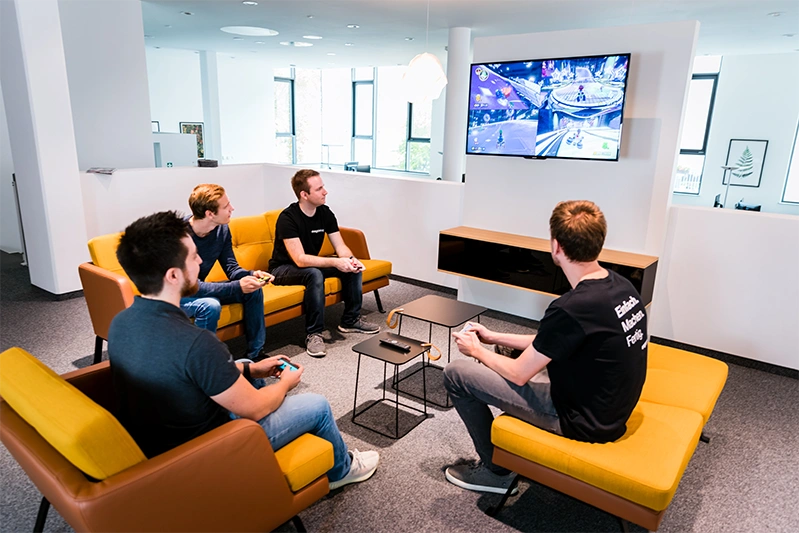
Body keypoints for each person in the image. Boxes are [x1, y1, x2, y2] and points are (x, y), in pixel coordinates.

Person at [108, 211, 379, 490]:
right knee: (318, 405)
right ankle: (342, 471)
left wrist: (250, 368)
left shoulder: (121, 322)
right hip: (213, 446)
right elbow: (256, 408)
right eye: (193, 257)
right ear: (174, 275)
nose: (201, 260)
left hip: (166, 432)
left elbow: (179, 370)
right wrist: (285, 384)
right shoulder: (197, 342)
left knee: (247, 361)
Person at [443, 200, 648, 494]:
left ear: (556, 247)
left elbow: (518, 374)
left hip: (581, 420)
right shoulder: (621, 286)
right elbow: (552, 342)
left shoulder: (571, 307)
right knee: (504, 352)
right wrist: (493, 337)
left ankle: (496, 472)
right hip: (609, 408)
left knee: (455, 373)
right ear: (599, 243)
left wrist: (476, 350)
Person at [269, 169, 379, 358]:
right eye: (319, 188)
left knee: (350, 267)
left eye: (323, 187)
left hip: (309, 265)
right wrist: (336, 263)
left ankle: (350, 320)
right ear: (304, 194)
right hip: (282, 270)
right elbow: (300, 259)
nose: (325, 192)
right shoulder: (288, 218)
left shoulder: (325, 213)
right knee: (314, 273)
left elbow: (340, 245)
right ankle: (314, 334)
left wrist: (350, 260)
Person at [180, 184, 270, 360]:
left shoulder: (221, 229)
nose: (232, 208)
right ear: (210, 213)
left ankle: (255, 354)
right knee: (210, 305)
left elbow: (231, 267)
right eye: (226, 206)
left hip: (200, 288)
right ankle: (204, 363)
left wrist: (252, 276)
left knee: (254, 290)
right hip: (175, 296)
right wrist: (237, 287)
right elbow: (191, 286)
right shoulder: (179, 236)